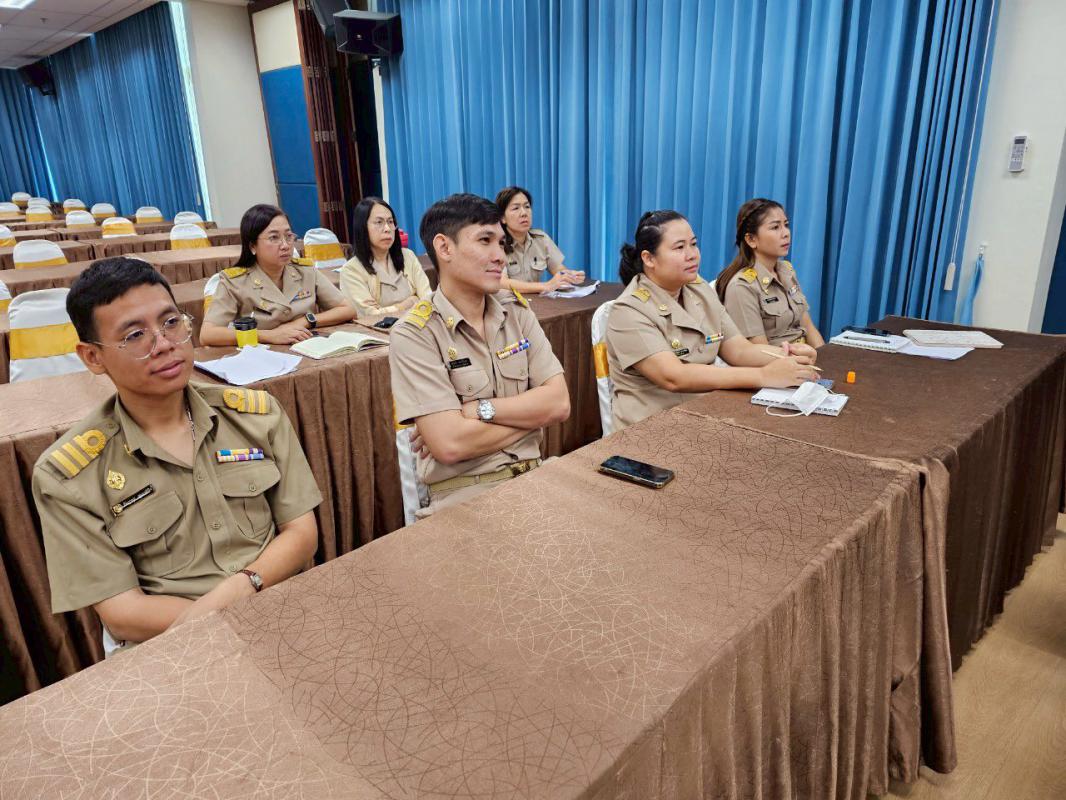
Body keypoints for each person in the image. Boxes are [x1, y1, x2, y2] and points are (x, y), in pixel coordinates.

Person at [31, 257, 322, 649]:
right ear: (92, 357)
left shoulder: (255, 415)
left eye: (171, 322)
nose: (164, 344)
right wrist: (234, 615)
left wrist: (246, 587)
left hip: (280, 607)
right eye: (135, 335)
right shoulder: (67, 475)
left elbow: (302, 533)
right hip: (172, 645)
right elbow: (123, 613)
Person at [390, 193, 570, 515]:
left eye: (501, 243)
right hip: (466, 495)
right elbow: (451, 444)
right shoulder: (415, 333)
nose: (499, 256)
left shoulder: (516, 312)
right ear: (444, 248)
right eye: (485, 241)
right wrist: (532, 419)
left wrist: (478, 409)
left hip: (536, 475)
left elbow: (559, 404)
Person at [606, 210, 820, 430]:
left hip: (703, 415)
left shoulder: (698, 289)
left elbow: (739, 350)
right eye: (679, 248)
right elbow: (674, 377)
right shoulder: (629, 310)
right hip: (650, 429)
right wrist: (764, 375)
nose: (692, 255)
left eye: (693, 244)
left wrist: (788, 357)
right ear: (649, 258)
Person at [200, 204, 356, 345]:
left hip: (308, 348)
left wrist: (306, 321)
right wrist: (268, 335)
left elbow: (347, 309)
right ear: (252, 246)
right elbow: (208, 334)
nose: (285, 245)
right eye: (274, 238)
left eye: (288, 236)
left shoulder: (306, 271)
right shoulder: (235, 282)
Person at [716, 198, 826, 348]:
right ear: (751, 239)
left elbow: (809, 327)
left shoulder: (787, 271)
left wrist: (824, 357)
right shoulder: (742, 287)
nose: (786, 233)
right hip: (780, 359)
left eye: (786, 225)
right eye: (775, 227)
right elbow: (759, 351)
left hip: (807, 356)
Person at [339, 196, 432, 317]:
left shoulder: (407, 256)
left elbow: (428, 299)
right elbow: (370, 315)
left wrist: (384, 309)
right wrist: (408, 302)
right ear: (362, 228)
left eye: (390, 222)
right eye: (379, 222)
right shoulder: (351, 270)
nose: (387, 229)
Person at [494, 186, 585, 294]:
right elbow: (502, 282)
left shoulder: (541, 239)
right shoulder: (497, 244)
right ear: (502, 218)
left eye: (527, 207)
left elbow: (557, 268)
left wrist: (569, 275)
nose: (524, 213)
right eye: (516, 208)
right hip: (509, 302)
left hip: (537, 301)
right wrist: (546, 286)